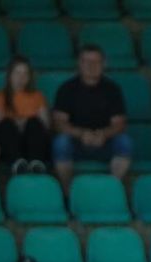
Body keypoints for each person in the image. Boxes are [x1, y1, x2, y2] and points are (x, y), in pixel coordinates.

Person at [52, 44, 132, 190]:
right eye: (86, 61)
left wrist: (103, 135)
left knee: (124, 142)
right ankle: (69, 193)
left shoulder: (112, 89)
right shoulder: (67, 89)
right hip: (76, 143)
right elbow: (59, 123)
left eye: (96, 62)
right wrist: (81, 134)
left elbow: (119, 124)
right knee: (60, 143)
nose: (91, 66)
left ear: (104, 64)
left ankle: (112, 190)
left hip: (104, 142)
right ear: (79, 64)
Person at [0, 55, 51, 175]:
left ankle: (36, 164)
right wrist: (17, 124)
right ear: (9, 75)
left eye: (25, 74)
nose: (21, 78)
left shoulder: (37, 96)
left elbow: (46, 126)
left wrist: (26, 122)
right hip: (10, 144)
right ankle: (17, 164)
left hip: (32, 142)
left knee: (33, 122)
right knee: (6, 124)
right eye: (17, 73)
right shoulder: (0, 96)